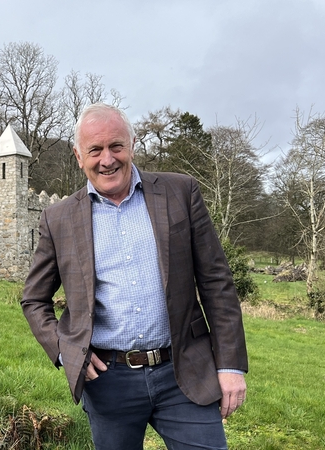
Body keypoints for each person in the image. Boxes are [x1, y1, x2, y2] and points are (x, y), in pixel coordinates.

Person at [21, 103, 248, 449]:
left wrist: (230, 366)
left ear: (132, 145)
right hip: (109, 382)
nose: (107, 159)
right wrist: (67, 351)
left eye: (116, 146)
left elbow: (217, 282)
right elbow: (34, 299)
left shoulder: (180, 193)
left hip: (184, 370)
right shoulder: (58, 219)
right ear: (79, 156)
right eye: (95, 150)